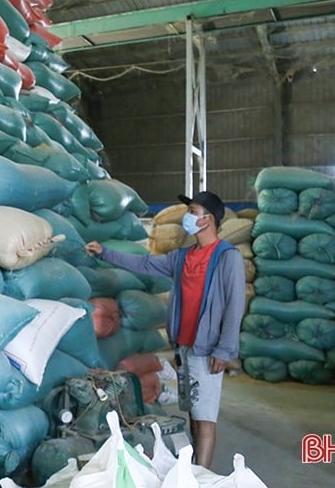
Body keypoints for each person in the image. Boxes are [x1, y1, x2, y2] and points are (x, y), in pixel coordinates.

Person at [84, 190, 246, 469]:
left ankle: (201, 476)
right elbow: (146, 264)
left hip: (208, 350)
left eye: (193, 211)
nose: (188, 217)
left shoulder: (226, 257)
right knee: (195, 413)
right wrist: (105, 252)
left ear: (208, 219)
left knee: (206, 416)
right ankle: (195, 467)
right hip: (185, 347)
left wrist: (224, 349)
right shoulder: (182, 257)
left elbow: (235, 304)